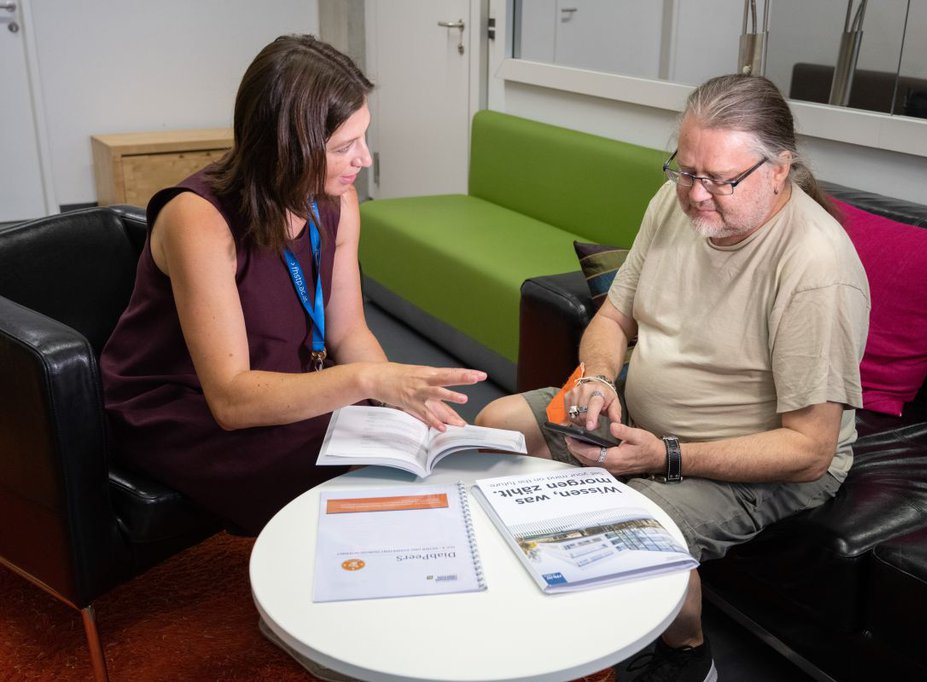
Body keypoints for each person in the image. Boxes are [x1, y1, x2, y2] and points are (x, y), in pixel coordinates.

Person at [477, 73, 870, 682]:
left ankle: (685, 658)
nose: (696, 195)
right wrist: (602, 381)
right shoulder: (674, 204)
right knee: (495, 429)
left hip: (755, 457)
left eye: (720, 179)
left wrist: (664, 455)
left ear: (779, 169)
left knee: (625, 523)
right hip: (643, 421)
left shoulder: (816, 266)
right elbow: (613, 316)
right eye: (685, 171)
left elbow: (810, 451)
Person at [100, 34, 485, 535]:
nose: (364, 160)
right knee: (345, 478)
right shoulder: (198, 219)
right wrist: (370, 383)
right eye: (345, 146)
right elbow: (232, 401)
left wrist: (399, 396)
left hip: (293, 385)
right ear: (287, 147)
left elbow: (346, 333)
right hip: (186, 407)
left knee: (414, 443)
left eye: (363, 137)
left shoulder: (338, 203)